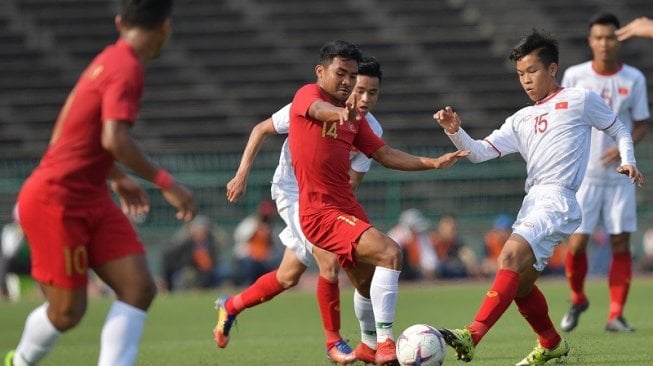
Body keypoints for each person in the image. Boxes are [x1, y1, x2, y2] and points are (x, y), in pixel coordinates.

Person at [433, 30, 643, 365]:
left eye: (532, 71)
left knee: (509, 257)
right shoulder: (521, 119)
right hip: (533, 202)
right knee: (521, 285)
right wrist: (455, 131)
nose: (526, 80)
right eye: (520, 74)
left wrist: (627, 160)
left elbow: (619, 128)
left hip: (558, 199)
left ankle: (471, 335)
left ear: (552, 69)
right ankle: (551, 343)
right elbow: (478, 153)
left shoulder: (580, 99)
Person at [4, 1, 196, 365]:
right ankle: (19, 362)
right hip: (55, 201)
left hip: (90, 196)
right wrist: (167, 182)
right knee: (66, 313)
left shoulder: (108, 59)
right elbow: (114, 139)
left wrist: (116, 176)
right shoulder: (127, 69)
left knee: (138, 288)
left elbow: (68, 132)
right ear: (165, 28)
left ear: (120, 22)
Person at [288, 40, 468, 365]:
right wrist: (340, 112)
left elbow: (384, 154)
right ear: (321, 71)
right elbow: (317, 111)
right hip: (320, 212)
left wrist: (432, 163)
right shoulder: (309, 96)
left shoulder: (354, 118)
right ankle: (386, 343)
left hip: (345, 207)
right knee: (391, 252)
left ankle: (369, 346)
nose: (347, 82)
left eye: (351, 76)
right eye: (341, 74)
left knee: (366, 282)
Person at [215, 57, 386, 365]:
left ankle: (230, 306)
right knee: (328, 258)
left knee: (287, 276)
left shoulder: (370, 129)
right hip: (292, 192)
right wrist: (241, 175)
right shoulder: (312, 101)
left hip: (326, 201)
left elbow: (352, 182)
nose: (363, 99)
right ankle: (333, 342)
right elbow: (261, 129)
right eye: (358, 90)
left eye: (371, 93)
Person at [558, 13, 649, 334]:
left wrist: (621, 148)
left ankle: (616, 315)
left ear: (618, 40)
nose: (604, 43)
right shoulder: (575, 76)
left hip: (620, 177)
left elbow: (641, 123)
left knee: (621, 242)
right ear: (590, 41)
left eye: (610, 37)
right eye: (598, 37)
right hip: (583, 176)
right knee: (577, 244)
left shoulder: (633, 78)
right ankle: (578, 297)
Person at [161, 215, 222, 291]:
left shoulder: (210, 243)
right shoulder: (186, 243)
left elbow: (222, 240)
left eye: (202, 230)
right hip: (189, 270)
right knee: (187, 275)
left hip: (208, 272)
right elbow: (174, 256)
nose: (200, 233)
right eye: (198, 230)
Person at [232, 200, 280, 286]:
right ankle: (246, 286)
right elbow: (240, 240)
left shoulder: (273, 228)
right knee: (249, 266)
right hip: (248, 258)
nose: (266, 218)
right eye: (264, 216)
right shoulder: (249, 223)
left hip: (265, 260)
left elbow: (275, 248)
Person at [387, 208, 438, 280]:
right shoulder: (396, 236)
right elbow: (389, 258)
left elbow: (430, 261)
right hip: (395, 272)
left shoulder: (421, 236)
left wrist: (429, 271)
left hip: (415, 272)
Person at [431, 214, 478, 279]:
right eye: (451, 229)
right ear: (440, 229)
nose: (453, 231)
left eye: (454, 228)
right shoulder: (432, 242)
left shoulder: (457, 243)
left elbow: (470, 261)